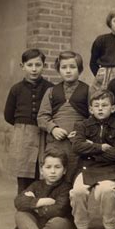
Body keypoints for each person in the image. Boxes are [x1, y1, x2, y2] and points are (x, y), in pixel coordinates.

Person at [69, 90, 115, 229]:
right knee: (77, 191)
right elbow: (77, 146)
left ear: (113, 108)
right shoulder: (82, 125)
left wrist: (90, 149)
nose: (100, 109)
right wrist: (100, 147)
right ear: (90, 109)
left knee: (106, 191)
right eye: (96, 106)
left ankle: (110, 228)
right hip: (87, 168)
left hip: (110, 169)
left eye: (105, 105)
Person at [4, 48, 53, 193]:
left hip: (43, 134)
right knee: (23, 175)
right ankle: (24, 209)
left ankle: (41, 208)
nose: (34, 69)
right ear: (22, 66)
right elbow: (8, 115)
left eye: (38, 65)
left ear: (43, 66)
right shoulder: (16, 89)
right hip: (23, 135)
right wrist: (24, 128)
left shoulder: (50, 88)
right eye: (30, 65)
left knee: (42, 173)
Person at [14, 149, 74, 229]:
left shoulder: (66, 187)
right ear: (42, 170)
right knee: (20, 214)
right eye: (48, 167)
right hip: (38, 226)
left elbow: (58, 210)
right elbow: (19, 202)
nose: (52, 171)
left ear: (64, 170)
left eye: (57, 167)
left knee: (59, 222)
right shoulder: (36, 185)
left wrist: (33, 205)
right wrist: (42, 202)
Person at [37, 51, 89, 183]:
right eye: (64, 67)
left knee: (74, 175)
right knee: (54, 175)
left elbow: (94, 117)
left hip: (77, 143)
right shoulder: (51, 92)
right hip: (55, 143)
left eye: (72, 67)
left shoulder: (88, 90)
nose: (68, 71)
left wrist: (81, 132)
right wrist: (53, 128)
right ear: (59, 70)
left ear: (80, 69)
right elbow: (42, 116)